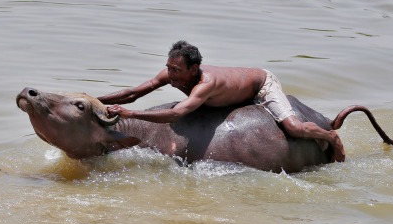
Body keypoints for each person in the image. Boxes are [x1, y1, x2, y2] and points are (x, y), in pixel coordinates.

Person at [98, 40, 345, 162]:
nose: (169, 75)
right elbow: (133, 93)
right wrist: (95, 101)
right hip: (232, 92)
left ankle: (330, 137)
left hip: (260, 85)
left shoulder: (206, 84)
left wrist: (131, 114)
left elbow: (176, 114)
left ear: (193, 69)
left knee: (294, 127)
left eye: (176, 71)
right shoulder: (172, 74)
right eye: (168, 68)